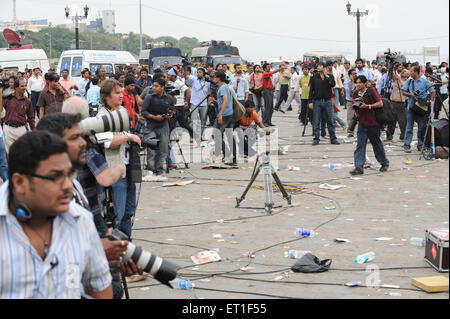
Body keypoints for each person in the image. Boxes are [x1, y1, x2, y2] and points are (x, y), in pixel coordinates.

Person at [0, 130, 113, 298]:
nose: (68, 185)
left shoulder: (81, 220)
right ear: (20, 182)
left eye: (69, 174)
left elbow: (100, 290)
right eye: (55, 177)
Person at [97, 80, 141, 240]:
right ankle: (116, 248)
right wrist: (129, 136)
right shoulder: (102, 116)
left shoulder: (122, 111)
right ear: (106, 97)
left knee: (129, 212)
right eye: (116, 93)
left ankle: (127, 246)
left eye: (120, 92)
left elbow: (124, 137)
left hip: (129, 167)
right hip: (115, 171)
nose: (120, 96)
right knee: (118, 213)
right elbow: (107, 141)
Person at [350, 75, 390, 176]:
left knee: (376, 144)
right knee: (360, 145)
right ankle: (359, 167)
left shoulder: (371, 91)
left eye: (360, 82)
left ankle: (384, 163)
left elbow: (380, 103)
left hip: (373, 123)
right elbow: (355, 105)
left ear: (364, 83)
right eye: (356, 83)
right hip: (362, 122)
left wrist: (367, 106)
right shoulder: (355, 93)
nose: (358, 84)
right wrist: (355, 105)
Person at [141, 78, 174, 182]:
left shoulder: (169, 98)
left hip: (163, 126)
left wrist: (170, 115)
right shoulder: (149, 97)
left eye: (156, 86)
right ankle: (151, 171)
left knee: (163, 149)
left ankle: (159, 171)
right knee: (151, 150)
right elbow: (144, 112)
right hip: (150, 126)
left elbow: (172, 110)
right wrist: (154, 117)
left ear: (162, 87)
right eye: (153, 86)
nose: (154, 88)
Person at [402, 66, 436, 153]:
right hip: (411, 107)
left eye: (412, 71)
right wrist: (411, 95)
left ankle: (421, 145)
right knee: (409, 127)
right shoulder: (409, 81)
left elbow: (432, 91)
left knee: (421, 127)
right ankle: (407, 145)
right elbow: (403, 92)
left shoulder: (424, 81)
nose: (410, 73)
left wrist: (430, 102)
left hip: (421, 107)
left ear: (416, 72)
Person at [308, 62, 340, 146]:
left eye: (320, 66)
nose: (318, 67)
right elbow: (311, 91)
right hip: (317, 101)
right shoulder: (314, 77)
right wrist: (310, 102)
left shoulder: (330, 76)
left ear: (324, 67)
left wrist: (327, 75)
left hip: (328, 101)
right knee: (316, 121)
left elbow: (333, 84)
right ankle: (316, 139)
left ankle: (333, 138)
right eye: (317, 66)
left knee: (330, 120)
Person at [2, 78, 35, 153]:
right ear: (16, 87)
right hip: (8, 129)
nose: (24, 88)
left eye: (25, 86)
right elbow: (1, 113)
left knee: (22, 152)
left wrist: (34, 131)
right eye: (22, 86)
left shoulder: (27, 101)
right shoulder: (7, 99)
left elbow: (31, 117)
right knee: (9, 152)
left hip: (21, 129)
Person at [213, 71, 235, 164]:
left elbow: (225, 101)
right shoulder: (225, 86)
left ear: (218, 78)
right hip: (229, 113)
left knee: (216, 134)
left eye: (215, 77)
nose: (214, 78)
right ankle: (233, 157)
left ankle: (227, 154)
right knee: (229, 135)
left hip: (224, 115)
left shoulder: (222, 88)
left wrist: (220, 114)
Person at [188, 67, 211, 141]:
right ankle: (192, 136)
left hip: (204, 103)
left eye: (200, 72)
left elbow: (210, 91)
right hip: (194, 102)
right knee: (193, 120)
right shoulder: (194, 79)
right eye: (197, 72)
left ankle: (202, 135)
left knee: (203, 121)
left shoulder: (208, 82)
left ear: (204, 74)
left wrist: (209, 102)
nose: (198, 73)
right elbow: (186, 76)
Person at [387, 69, 409, 141]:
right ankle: (389, 135)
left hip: (402, 103)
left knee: (403, 121)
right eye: (403, 71)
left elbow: (403, 87)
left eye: (405, 71)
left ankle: (403, 136)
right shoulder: (396, 80)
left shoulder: (408, 82)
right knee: (391, 120)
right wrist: (391, 66)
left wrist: (399, 78)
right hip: (393, 102)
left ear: (408, 75)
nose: (403, 71)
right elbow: (391, 73)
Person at [344, 68, 358, 137]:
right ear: (350, 75)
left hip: (358, 101)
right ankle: (350, 131)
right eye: (353, 74)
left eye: (356, 73)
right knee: (350, 117)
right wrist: (352, 81)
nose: (355, 75)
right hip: (350, 101)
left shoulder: (359, 81)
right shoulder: (346, 82)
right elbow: (349, 89)